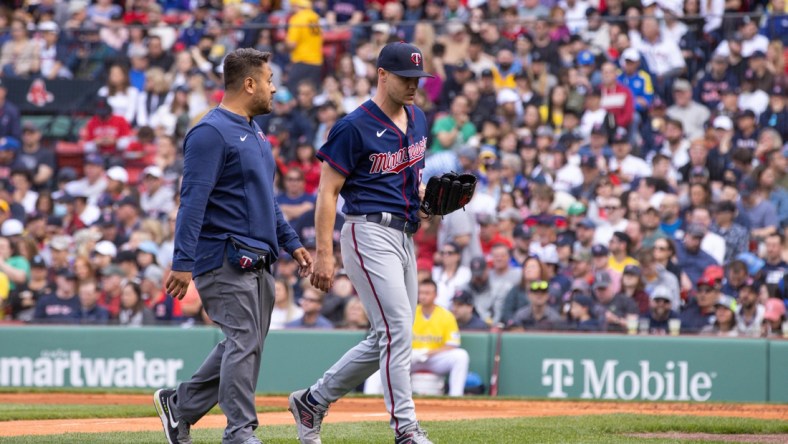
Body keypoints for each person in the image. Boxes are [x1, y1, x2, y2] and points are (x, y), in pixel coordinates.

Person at [155, 49, 313, 444]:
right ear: (249, 84)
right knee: (244, 341)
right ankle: (240, 432)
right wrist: (182, 261)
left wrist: (292, 243)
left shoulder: (255, 132)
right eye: (269, 79)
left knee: (244, 344)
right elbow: (192, 200)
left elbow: (266, 199)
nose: (274, 88)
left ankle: (182, 405)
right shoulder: (209, 132)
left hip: (260, 257)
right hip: (223, 257)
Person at [289, 42, 434, 444]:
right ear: (382, 74)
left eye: (418, 80)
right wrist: (323, 253)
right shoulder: (353, 126)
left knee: (388, 334)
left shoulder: (418, 118)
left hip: (404, 233)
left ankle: (312, 401)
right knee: (398, 330)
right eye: (406, 78)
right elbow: (326, 192)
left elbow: (410, 180)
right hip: (366, 231)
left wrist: (426, 202)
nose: (413, 86)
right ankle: (405, 429)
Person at [409, 279, 470, 397]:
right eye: (421, 293)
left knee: (461, 356)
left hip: (434, 358)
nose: (423, 296)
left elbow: (452, 345)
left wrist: (427, 353)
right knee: (384, 358)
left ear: (435, 295)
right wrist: (412, 353)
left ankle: (456, 397)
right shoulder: (410, 313)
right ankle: (373, 396)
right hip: (413, 356)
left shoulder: (446, 315)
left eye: (427, 293)